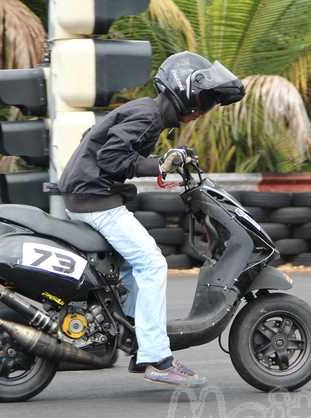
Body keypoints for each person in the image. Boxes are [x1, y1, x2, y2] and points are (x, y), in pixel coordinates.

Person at [58, 51, 245, 386]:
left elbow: (117, 156)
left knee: (132, 265)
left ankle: (137, 342)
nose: (204, 109)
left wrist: (164, 161)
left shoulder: (150, 113)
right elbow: (113, 158)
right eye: (204, 100)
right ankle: (157, 359)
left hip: (89, 195)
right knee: (152, 263)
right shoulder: (148, 115)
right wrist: (158, 165)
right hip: (94, 200)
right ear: (185, 92)